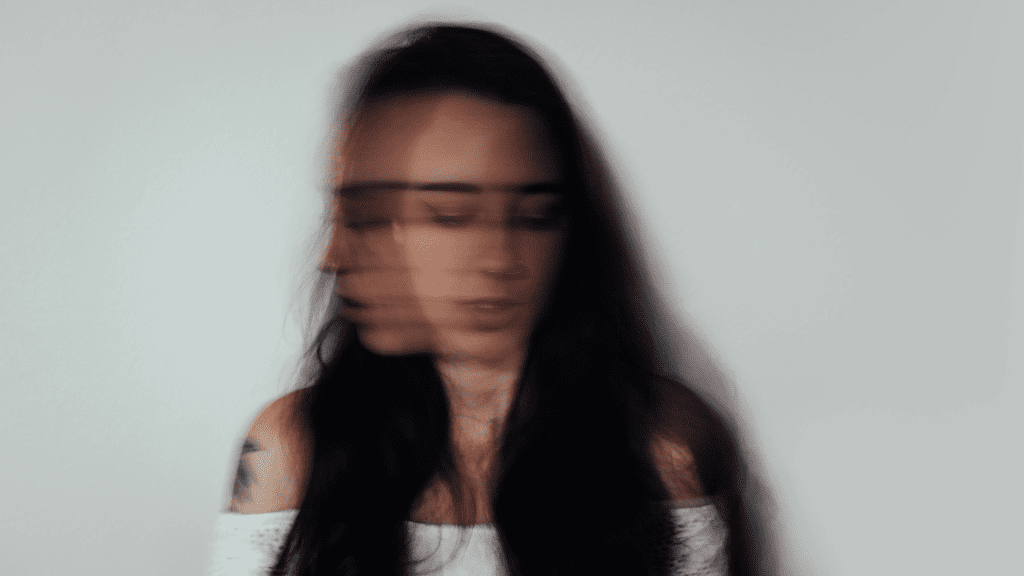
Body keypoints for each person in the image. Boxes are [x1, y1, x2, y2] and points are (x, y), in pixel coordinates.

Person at [208, 24, 762, 576]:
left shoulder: (663, 446)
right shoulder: (291, 450)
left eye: (535, 216)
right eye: (451, 215)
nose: (501, 259)